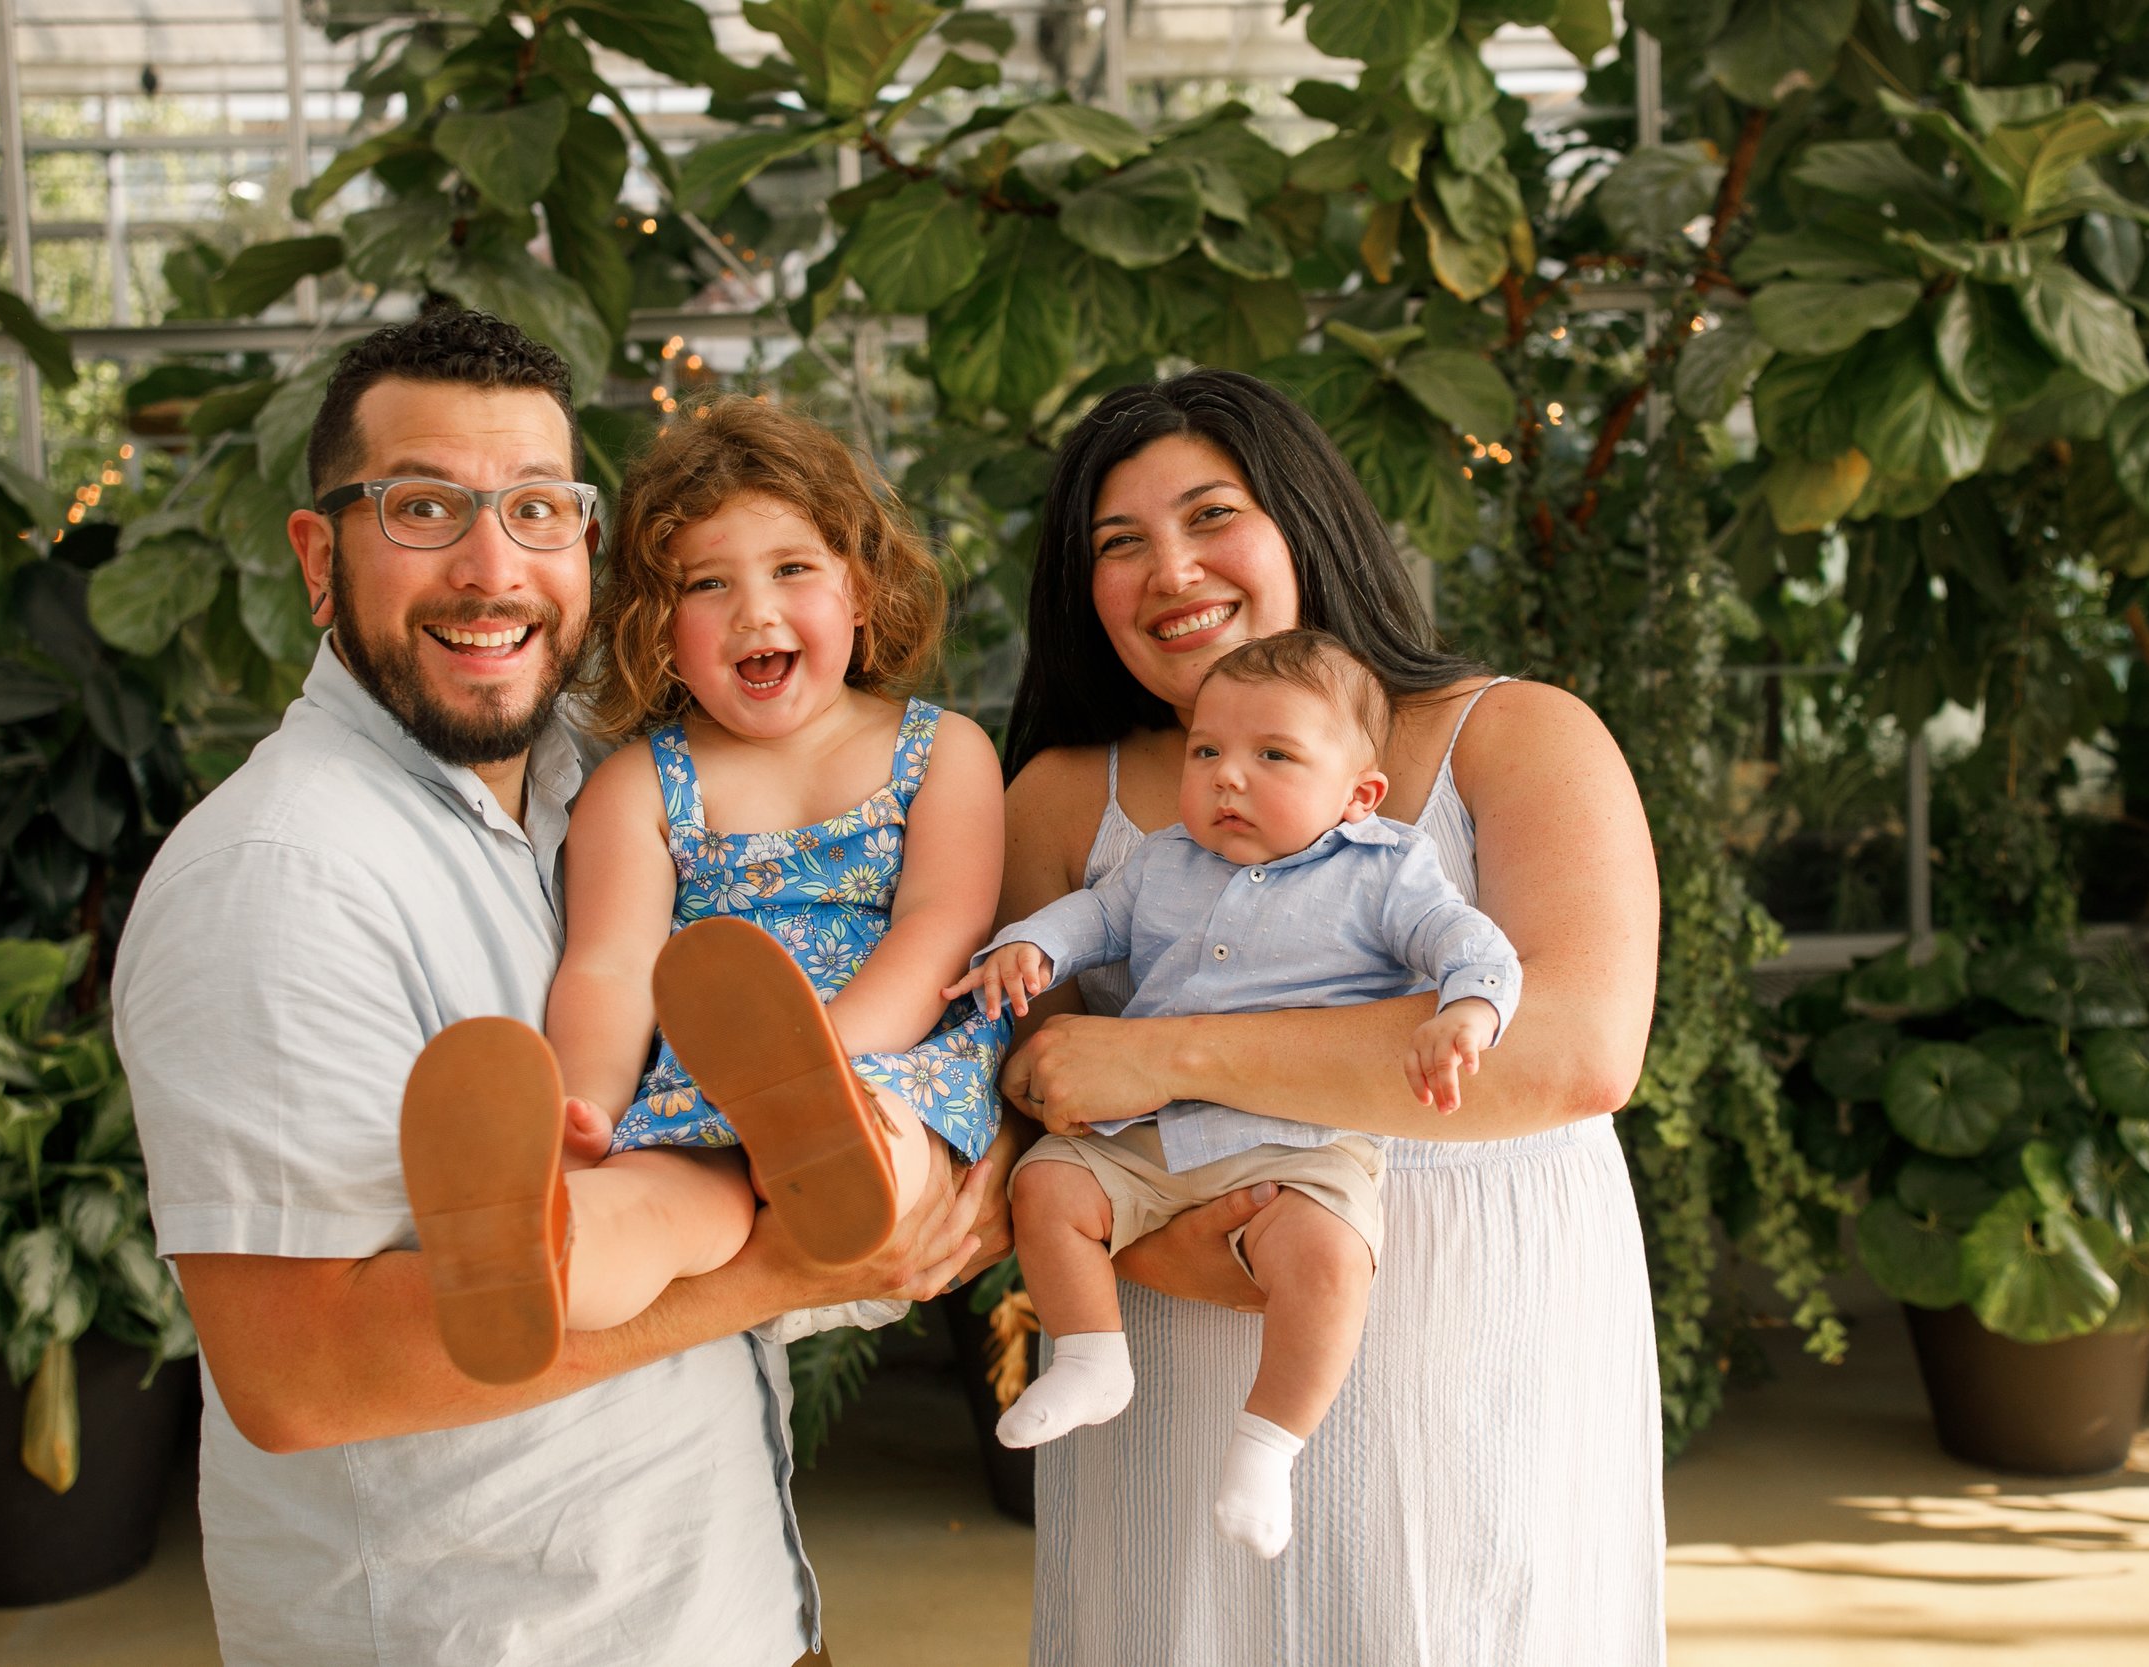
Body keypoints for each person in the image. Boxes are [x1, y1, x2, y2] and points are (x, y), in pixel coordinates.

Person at [112, 309, 988, 1667]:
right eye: (421, 508)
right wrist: (786, 1260)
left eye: (534, 508)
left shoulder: (601, 780)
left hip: (720, 1609)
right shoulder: (278, 873)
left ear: (586, 548)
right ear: (318, 556)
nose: (489, 566)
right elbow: (296, 1375)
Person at [997, 370, 1666, 1664]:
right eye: (1117, 543)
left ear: (1303, 521)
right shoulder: (1062, 797)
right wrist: (1171, 1252)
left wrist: (1166, 1053)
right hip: (1181, 1352)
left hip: (1482, 1344)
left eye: (1210, 515)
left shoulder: (1514, 735)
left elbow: (1574, 1051)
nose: (1169, 568)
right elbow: (1031, 1093)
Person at [397, 395, 1008, 1385]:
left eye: (792, 569)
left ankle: (835, 1156)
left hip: (883, 1062)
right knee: (655, 1204)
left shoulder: (939, 751)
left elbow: (940, 927)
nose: (754, 610)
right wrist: (585, 1112)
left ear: (859, 589)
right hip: (707, 1085)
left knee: (892, 1150)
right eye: (706, 585)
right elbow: (610, 963)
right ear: (659, 627)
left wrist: (831, 1055)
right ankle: (534, 1253)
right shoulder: (643, 782)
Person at [952, 629, 1520, 1560]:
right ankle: (1093, 1356)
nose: (1227, 777)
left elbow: (1473, 945)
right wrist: (1034, 947)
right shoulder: (1165, 860)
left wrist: (1468, 1015)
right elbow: (1095, 916)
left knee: (1332, 1257)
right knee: (1049, 1184)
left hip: (1295, 1144)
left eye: (1273, 756)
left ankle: (1267, 1445)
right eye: (1207, 751)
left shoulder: (1384, 871)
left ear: (1358, 794)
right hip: (1151, 1132)